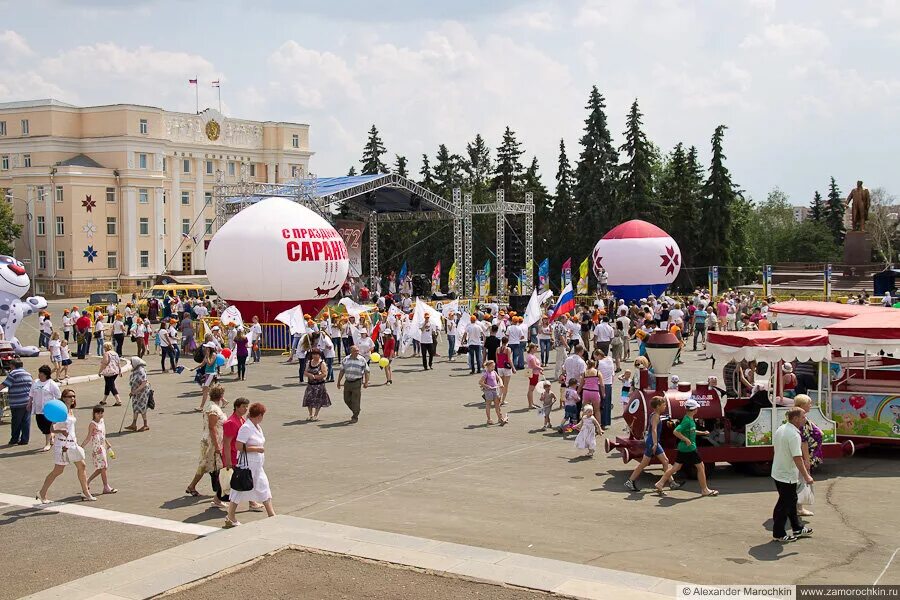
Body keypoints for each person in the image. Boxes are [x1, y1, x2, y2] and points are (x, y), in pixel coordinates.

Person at [37, 389, 96, 503]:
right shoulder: (60, 410)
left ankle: (86, 492)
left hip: (72, 443)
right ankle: (42, 492)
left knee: (82, 466)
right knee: (58, 470)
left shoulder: (70, 410)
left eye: (74, 396)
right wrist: (61, 431)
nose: (72, 398)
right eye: (70, 396)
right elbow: (52, 428)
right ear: (64, 398)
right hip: (62, 444)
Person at [225, 402, 275, 527]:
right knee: (239, 489)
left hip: (256, 464)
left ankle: (271, 514)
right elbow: (238, 446)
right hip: (247, 464)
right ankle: (230, 517)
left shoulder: (256, 426)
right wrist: (256, 449)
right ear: (259, 415)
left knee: (263, 485)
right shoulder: (246, 427)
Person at [654, 399, 718, 497]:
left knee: (676, 467)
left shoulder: (688, 418)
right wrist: (686, 440)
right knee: (701, 468)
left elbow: (691, 430)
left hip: (683, 449)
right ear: (694, 409)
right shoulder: (687, 421)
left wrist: (702, 433)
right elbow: (676, 431)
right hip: (690, 448)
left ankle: (660, 483)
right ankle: (705, 490)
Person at [771, 407, 814, 542]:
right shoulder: (794, 435)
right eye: (803, 417)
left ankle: (797, 528)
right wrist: (806, 476)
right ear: (795, 419)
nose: (805, 419)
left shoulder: (782, 429)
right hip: (787, 475)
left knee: (791, 501)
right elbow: (797, 457)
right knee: (784, 505)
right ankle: (778, 533)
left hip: (778, 472)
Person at [185, 385, 228, 510]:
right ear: (220, 396)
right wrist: (217, 445)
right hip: (212, 441)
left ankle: (192, 486)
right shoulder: (213, 409)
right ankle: (219, 495)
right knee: (216, 466)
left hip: (208, 440)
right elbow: (212, 427)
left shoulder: (210, 405)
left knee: (205, 465)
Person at [222, 398, 264, 514]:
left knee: (244, 479)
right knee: (237, 482)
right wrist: (228, 461)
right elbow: (226, 442)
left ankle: (252, 502)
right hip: (235, 455)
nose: (246, 409)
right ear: (236, 407)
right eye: (243, 406)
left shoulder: (241, 419)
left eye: (247, 406)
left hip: (241, 456)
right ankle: (220, 501)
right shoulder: (231, 422)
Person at [625, 396, 674, 491]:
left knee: (662, 461)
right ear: (658, 406)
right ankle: (630, 481)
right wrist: (655, 444)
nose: (665, 407)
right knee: (653, 462)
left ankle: (671, 482)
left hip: (652, 441)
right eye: (664, 405)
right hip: (652, 442)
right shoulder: (656, 416)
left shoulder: (654, 414)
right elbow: (654, 430)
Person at [792, 394, 823, 517]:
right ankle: (799, 508)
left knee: (801, 481)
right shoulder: (800, 419)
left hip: (807, 454)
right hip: (805, 455)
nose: (810, 405)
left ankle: (798, 507)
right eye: (808, 403)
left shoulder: (801, 417)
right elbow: (803, 441)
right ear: (801, 405)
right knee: (801, 481)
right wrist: (807, 459)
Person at [82, 405, 116, 495]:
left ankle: (87, 482)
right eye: (98, 413)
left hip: (103, 446)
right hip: (97, 448)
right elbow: (89, 437)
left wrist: (107, 443)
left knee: (101, 468)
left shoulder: (102, 421)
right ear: (94, 413)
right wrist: (81, 446)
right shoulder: (92, 424)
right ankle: (106, 487)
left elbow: (103, 434)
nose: (100, 415)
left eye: (102, 413)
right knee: (103, 467)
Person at [29, 364, 62, 452]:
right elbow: (31, 394)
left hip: (48, 409)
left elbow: (58, 396)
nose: (39, 375)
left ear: (46, 375)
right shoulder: (35, 382)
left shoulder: (51, 383)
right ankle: (51, 435)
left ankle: (47, 443)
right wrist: (29, 404)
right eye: (39, 373)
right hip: (38, 409)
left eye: (41, 374)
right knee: (41, 425)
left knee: (47, 426)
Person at [337, 345, 370, 423]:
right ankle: (356, 409)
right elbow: (342, 371)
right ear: (351, 351)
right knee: (346, 399)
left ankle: (355, 416)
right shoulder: (346, 359)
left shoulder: (362, 359)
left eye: (358, 350)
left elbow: (367, 371)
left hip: (357, 382)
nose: (357, 352)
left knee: (356, 400)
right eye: (355, 351)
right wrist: (338, 381)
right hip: (347, 381)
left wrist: (366, 382)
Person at [302, 348, 331, 421]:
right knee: (309, 399)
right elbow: (305, 372)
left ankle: (316, 415)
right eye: (313, 354)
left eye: (316, 354)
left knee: (318, 401)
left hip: (319, 385)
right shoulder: (309, 363)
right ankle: (310, 414)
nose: (315, 356)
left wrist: (315, 377)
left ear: (319, 355)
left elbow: (324, 374)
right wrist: (309, 375)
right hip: (310, 385)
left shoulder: (322, 363)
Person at [124, 357, 151, 432]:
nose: (131, 364)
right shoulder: (136, 370)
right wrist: (133, 392)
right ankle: (134, 424)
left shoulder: (140, 371)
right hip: (136, 393)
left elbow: (144, 383)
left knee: (142, 408)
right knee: (135, 407)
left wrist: (135, 391)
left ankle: (145, 425)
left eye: (132, 362)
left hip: (142, 393)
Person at [479, 360, 507, 426]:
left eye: (494, 366)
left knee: (497, 404)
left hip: (495, 390)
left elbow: (499, 378)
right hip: (488, 391)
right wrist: (487, 386)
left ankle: (500, 418)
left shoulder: (494, 372)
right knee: (488, 404)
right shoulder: (486, 374)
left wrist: (501, 383)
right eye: (492, 366)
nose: (493, 368)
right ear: (488, 367)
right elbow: (480, 382)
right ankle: (489, 419)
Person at [96, 342, 122, 407]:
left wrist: (100, 371)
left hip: (108, 372)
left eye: (104, 347)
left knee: (111, 385)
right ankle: (104, 400)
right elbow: (118, 362)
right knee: (108, 385)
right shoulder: (115, 353)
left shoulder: (106, 354)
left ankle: (118, 400)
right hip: (115, 371)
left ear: (106, 347)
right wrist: (120, 371)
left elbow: (104, 363)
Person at [596, 350, 615, 431]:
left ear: (598, 355)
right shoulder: (610, 359)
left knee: (600, 405)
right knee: (607, 404)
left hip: (601, 384)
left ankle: (601, 422)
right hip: (609, 384)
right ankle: (606, 421)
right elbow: (613, 373)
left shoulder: (599, 363)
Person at [197, 342, 218, 412]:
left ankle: (201, 406)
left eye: (207, 348)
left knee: (205, 390)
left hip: (211, 374)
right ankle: (223, 401)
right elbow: (203, 364)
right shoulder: (207, 355)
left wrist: (208, 355)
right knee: (211, 390)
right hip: (207, 374)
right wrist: (193, 368)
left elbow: (209, 363)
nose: (205, 349)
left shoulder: (214, 355)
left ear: (210, 349)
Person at [495, 337, 515, 406]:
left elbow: (497, 360)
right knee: (506, 385)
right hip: (506, 367)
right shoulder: (508, 349)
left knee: (501, 384)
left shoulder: (497, 349)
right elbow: (509, 360)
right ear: (507, 342)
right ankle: (502, 400)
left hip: (499, 367)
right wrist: (513, 368)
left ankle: (498, 398)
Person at [525, 343, 543, 409]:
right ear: (532, 348)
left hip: (534, 372)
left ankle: (531, 403)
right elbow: (534, 365)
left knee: (531, 389)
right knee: (531, 389)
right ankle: (530, 404)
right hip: (533, 373)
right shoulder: (531, 356)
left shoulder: (532, 355)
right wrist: (540, 368)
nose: (536, 349)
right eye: (535, 348)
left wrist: (539, 370)